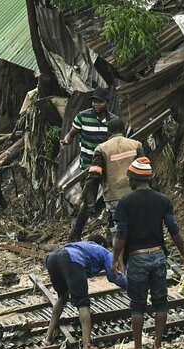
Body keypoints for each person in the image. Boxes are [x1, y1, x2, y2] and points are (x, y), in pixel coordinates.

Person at [112, 158, 184, 349]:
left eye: (129, 178)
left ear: (134, 180)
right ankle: (157, 346)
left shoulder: (125, 202)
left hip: (137, 257)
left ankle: (138, 348)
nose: (128, 182)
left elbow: (121, 234)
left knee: (137, 305)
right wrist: (182, 252)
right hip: (158, 255)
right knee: (160, 302)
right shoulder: (163, 200)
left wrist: (115, 260)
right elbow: (173, 229)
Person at [44, 234, 127, 349]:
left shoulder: (81, 245)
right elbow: (114, 276)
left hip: (52, 258)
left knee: (62, 297)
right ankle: (87, 346)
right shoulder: (103, 250)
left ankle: (48, 338)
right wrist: (131, 285)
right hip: (71, 259)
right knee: (83, 303)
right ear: (102, 244)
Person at [60, 87, 119, 242]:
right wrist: (66, 141)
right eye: (94, 101)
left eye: (99, 102)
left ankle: (111, 235)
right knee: (89, 204)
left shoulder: (113, 121)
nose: (96, 104)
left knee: (111, 202)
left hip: (107, 168)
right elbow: (72, 133)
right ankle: (75, 234)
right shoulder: (83, 117)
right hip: (87, 168)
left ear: (107, 102)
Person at [80, 117, 144, 242]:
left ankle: (118, 260)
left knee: (117, 231)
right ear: (124, 130)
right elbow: (144, 169)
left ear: (108, 132)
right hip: (135, 194)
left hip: (113, 197)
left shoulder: (101, 149)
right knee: (137, 228)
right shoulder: (136, 145)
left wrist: (82, 197)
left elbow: (94, 176)